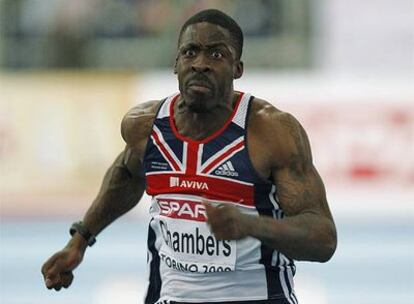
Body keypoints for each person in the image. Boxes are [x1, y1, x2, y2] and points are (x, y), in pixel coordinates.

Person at [41, 9, 337, 304]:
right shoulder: (145, 127)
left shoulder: (271, 133)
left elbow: (323, 240)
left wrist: (252, 226)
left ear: (238, 68)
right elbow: (127, 176)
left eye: (216, 55)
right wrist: (79, 241)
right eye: (190, 52)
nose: (200, 64)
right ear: (176, 64)